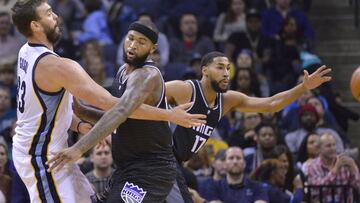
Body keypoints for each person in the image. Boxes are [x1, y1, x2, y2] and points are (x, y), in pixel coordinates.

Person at [72, 51, 332, 202]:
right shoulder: (184, 90)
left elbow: (272, 103)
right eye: (220, 67)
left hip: (165, 165)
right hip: (155, 159)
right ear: (204, 70)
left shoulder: (227, 101)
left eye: (228, 68)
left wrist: (303, 88)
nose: (226, 73)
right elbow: (127, 107)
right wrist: (90, 107)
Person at [11, 1, 204, 203]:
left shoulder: (26, 52)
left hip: (149, 169)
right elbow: (116, 108)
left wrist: (80, 125)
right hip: (44, 157)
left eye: (141, 41)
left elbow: (45, 107)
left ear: (153, 48)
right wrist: (169, 115)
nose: (57, 17)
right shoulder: (60, 67)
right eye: (49, 14)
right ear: (35, 25)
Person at [307, 134, 360, 203]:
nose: (332, 148)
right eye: (328, 146)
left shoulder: (346, 163)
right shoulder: (313, 166)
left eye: (334, 145)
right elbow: (316, 191)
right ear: (319, 149)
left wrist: (353, 171)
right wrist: (335, 170)